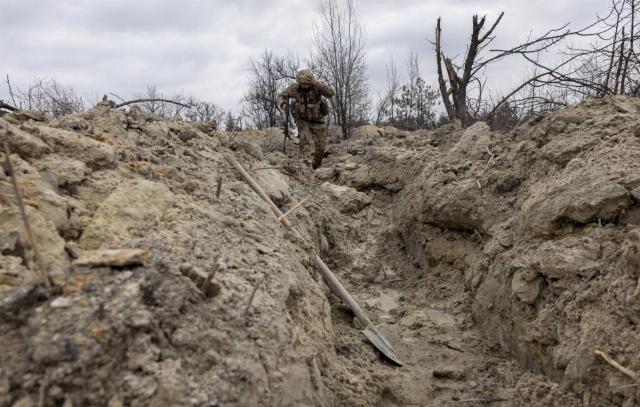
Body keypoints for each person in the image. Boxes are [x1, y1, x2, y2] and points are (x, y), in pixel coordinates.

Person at [276, 70, 335, 169]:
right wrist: (283, 104)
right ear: (299, 82)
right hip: (302, 120)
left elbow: (330, 93)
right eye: (303, 83)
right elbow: (280, 96)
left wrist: (317, 83)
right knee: (304, 143)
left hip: (318, 120)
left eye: (307, 83)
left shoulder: (317, 86)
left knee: (321, 148)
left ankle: (315, 166)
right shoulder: (294, 88)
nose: (305, 86)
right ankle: (306, 166)